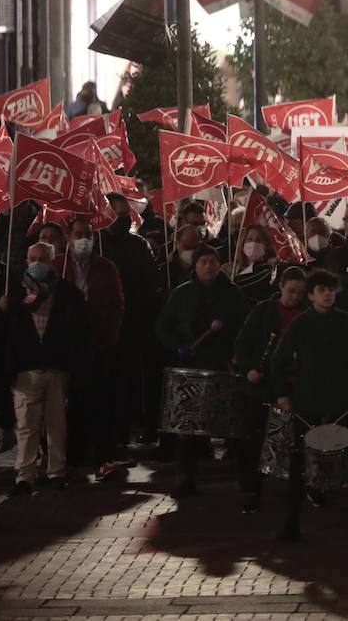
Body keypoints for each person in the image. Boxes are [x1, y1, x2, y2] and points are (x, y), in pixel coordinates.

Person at [271, 269, 348, 542]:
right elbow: (278, 362)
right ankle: (291, 522)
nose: (328, 294)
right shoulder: (301, 324)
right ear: (311, 295)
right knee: (299, 464)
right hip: (307, 403)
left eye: (331, 290)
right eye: (321, 290)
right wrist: (283, 394)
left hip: (341, 402)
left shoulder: (347, 323)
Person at [155, 245, 250, 496]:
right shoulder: (181, 294)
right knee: (187, 425)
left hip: (223, 363)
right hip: (191, 364)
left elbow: (245, 327)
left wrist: (236, 352)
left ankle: (244, 476)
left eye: (212, 261)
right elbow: (163, 326)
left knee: (232, 422)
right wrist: (178, 347)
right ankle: (185, 475)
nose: (208, 266)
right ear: (195, 266)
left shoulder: (232, 294)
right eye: (203, 261)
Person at [0, 242, 88, 496]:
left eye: (43, 258)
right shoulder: (15, 294)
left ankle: (56, 472)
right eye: (33, 258)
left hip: (57, 367)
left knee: (56, 423)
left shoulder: (67, 294)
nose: (38, 263)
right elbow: (2, 332)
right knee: (27, 424)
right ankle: (25, 476)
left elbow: (79, 331)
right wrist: (3, 310)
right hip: (26, 369)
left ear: (52, 262)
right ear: (26, 261)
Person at [55, 218, 126, 478]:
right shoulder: (58, 266)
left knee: (99, 401)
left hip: (97, 343)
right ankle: (72, 456)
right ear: (68, 236)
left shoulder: (105, 267)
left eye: (88, 234)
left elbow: (117, 304)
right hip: (65, 346)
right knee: (68, 404)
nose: (83, 239)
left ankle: (103, 456)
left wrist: (108, 337)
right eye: (78, 234)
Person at [233, 267, 307, 514]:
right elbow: (243, 343)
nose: (295, 296)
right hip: (263, 382)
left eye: (299, 292)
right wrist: (249, 369)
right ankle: (254, 489)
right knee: (257, 436)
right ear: (281, 288)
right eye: (291, 291)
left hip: (294, 381)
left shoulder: (306, 314)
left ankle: (301, 487)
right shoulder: (264, 311)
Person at [100, 194, 161, 457]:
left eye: (126, 215)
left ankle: (121, 434)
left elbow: (150, 284)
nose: (123, 220)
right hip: (101, 325)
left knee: (125, 382)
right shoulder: (97, 244)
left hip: (131, 325)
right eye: (118, 214)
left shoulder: (138, 246)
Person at [230, 224, 279, 304]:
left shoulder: (270, 271)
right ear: (243, 243)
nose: (253, 243)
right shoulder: (231, 270)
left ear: (266, 245)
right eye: (249, 239)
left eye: (258, 240)